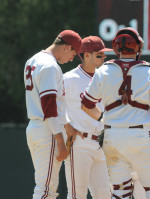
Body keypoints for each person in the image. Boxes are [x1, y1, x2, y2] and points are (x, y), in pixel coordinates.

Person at [81, 27, 150, 198]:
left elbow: (86, 105)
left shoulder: (103, 70)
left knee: (120, 191)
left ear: (116, 47)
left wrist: (104, 120)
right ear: (138, 47)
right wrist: (145, 126)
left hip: (112, 135)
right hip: (139, 134)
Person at [24, 30, 82, 198]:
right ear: (67, 47)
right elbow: (49, 106)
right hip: (47, 130)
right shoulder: (50, 66)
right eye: (73, 53)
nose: (72, 58)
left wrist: (66, 124)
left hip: (35, 128)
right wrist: (59, 139)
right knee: (46, 189)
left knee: (44, 185)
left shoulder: (33, 60)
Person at [63, 36, 112, 199]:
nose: (103, 58)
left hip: (103, 144)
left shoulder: (106, 78)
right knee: (77, 194)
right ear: (86, 55)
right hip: (80, 143)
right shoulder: (69, 79)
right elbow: (54, 105)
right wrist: (66, 124)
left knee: (105, 194)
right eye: (99, 54)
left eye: (104, 55)